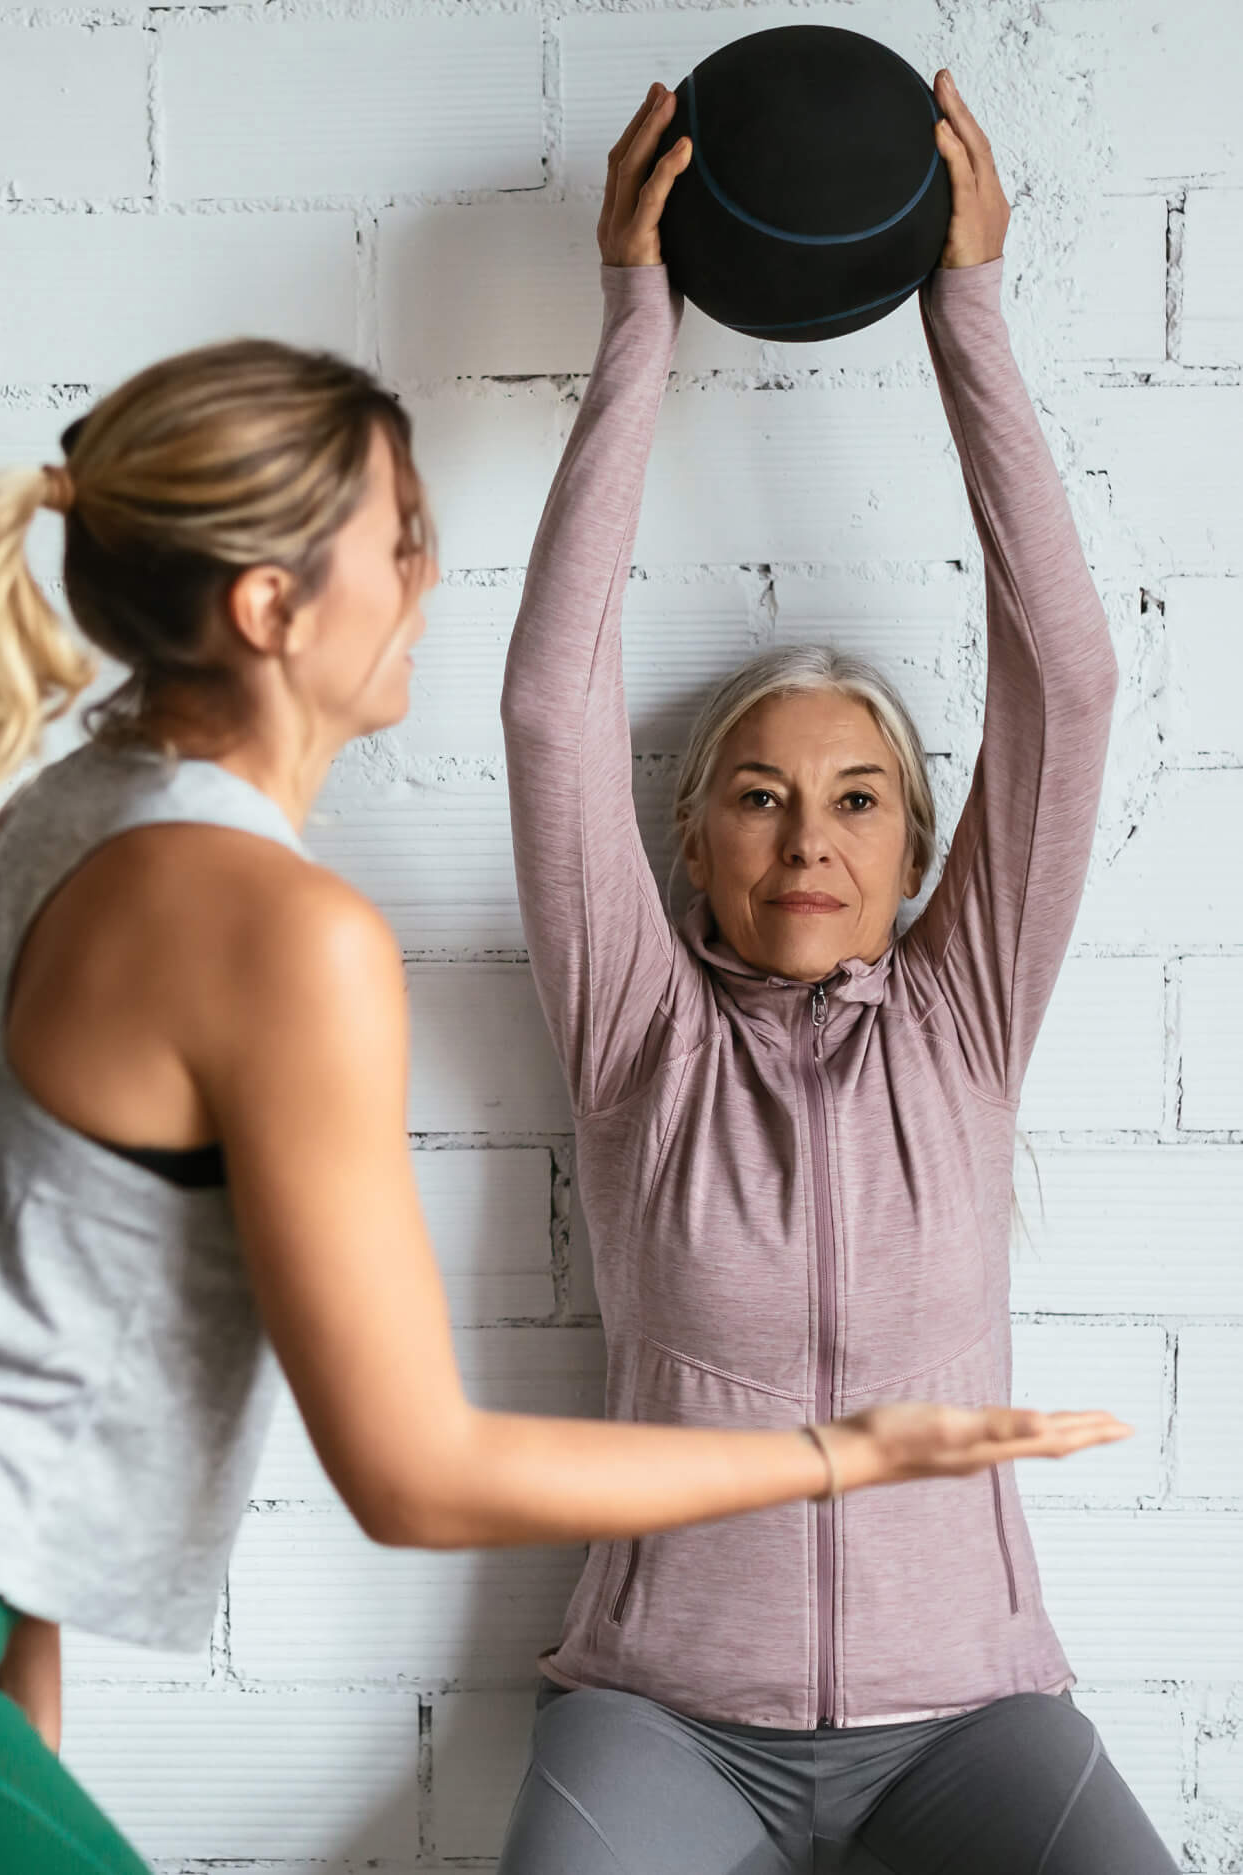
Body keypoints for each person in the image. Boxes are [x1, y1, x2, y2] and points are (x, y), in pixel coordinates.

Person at [0, 322, 1124, 1873]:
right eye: (402, 543)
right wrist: (842, 1455)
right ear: (273, 606)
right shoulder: (285, 927)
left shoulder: (51, 823)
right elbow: (409, 1472)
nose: (430, 581)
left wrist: (21, 1670)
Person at [497, 72, 1176, 1875]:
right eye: (761, 796)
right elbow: (552, 711)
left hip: (971, 1720)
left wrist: (970, 313)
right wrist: (637, 319)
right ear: (697, 849)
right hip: (664, 1721)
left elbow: (1075, 687)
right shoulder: (636, 1036)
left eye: (858, 799)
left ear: (916, 857)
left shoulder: (965, 1024)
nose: (810, 836)